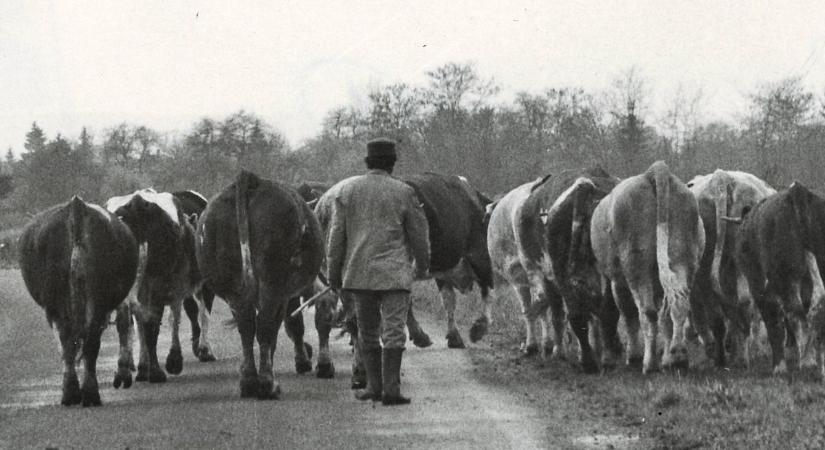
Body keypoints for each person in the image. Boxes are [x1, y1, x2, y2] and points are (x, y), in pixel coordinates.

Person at [326, 137, 430, 406]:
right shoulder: (404, 192)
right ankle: (391, 390)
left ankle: (373, 385)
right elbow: (419, 235)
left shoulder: (346, 192)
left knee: (367, 331)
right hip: (394, 275)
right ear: (392, 164)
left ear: (367, 162)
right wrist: (422, 264)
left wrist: (334, 273)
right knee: (394, 330)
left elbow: (336, 238)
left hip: (359, 274)